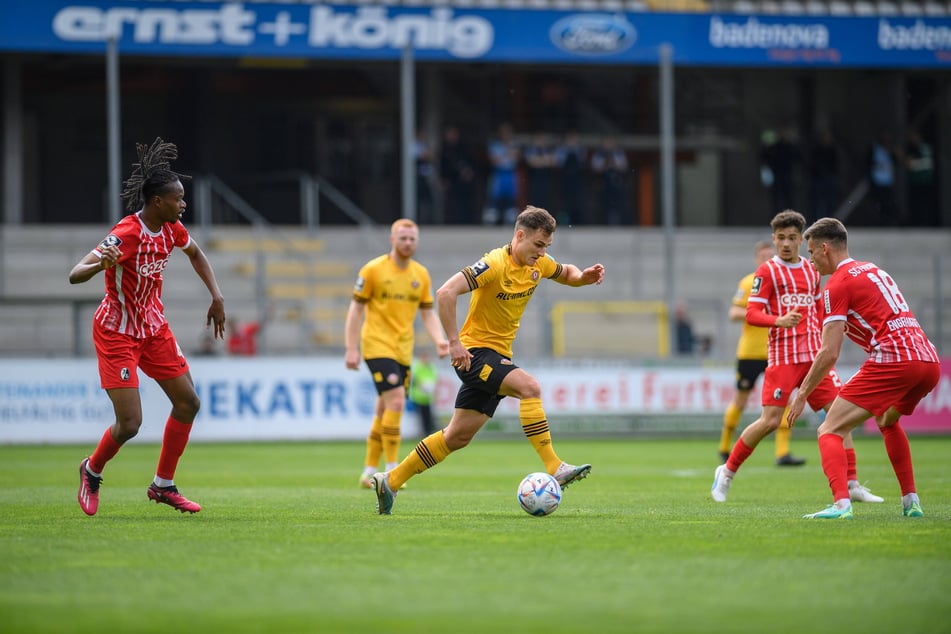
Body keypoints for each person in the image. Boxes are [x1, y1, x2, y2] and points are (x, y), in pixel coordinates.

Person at [370, 206, 605, 515]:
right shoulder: (493, 264)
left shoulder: (539, 264)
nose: (542, 252)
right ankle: (554, 465)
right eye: (538, 245)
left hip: (496, 357)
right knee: (529, 387)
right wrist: (454, 343)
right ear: (519, 236)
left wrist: (583, 278)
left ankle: (391, 480)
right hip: (474, 354)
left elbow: (566, 272)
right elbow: (445, 293)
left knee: (456, 437)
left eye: (547, 246)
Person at [72, 138, 226, 516]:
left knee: (188, 402)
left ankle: (163, 485)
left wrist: (217, 296)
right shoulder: (126, 233)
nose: (183, 204)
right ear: (158, 201)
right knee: (130, 424)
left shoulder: (171, 229)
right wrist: (100, 265)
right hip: (117, 331)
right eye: (178, 199)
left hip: (153, 328)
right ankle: (92, 469)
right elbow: (75, 274)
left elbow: (197, 253)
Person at [710, 210, 881, 505]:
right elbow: (751, 313)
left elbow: (818, 309)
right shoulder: (767, 272)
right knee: (770, 421)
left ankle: (851, 483)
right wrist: (778, 320)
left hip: (813, 357)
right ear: (774, 238)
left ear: (802, 240)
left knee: (840, 415)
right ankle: (726, 470)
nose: (785, 244)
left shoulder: (813, 270)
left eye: (791, 238)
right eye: (780, 238)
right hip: (783, 358)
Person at [788, 217, 941, 519]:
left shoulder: (837, 284)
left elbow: (829, 352)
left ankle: (841, 505)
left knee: (829, 429)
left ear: (825, 248)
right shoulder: (873, 270)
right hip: (928, 360)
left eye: (811, 252)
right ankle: (911, 502)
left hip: (895, 360)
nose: (811, 260)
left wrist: (803, 392)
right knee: (887, 420)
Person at [345, 219, 450, 490]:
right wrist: (351, 347)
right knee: (396, 402)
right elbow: (356, 309)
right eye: (402, 238)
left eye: (412, 239)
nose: (407, 243)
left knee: (384, 408)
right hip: (376, 344)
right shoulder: (373, 270)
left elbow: (427, 311)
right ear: (392, 240)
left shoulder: (420, 275)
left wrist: (440, 340)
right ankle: (391, 471)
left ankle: (368, 471)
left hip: (403, 349)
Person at [718, 240, 806, 467]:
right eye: (763, 256)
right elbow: (733, 312)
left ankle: (783, 453)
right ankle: (725, 446)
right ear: (757, 259)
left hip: (779, 351)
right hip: (750, 352)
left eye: (770, 255)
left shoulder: (786, 282)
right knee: (741, 399)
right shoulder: (749, 283)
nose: (767, 259)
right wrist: (757, 311)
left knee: (785, 400)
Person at [483, 122, 520, 226]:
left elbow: (516, 158)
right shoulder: (495, 145)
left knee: (511, 198)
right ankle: (491, 220)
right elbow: (495, 160)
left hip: (510, 174)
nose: (506, 134)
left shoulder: (514, 145)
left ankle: (510, 221)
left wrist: (505, 155)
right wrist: (508, 154)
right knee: (494, 197)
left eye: (508, 132)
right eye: (504, 132)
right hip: (499, 174)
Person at [439, 125, 477, 225]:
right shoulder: (444, 150)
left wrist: (469, 172)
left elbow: (472, 162)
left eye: (453, 134)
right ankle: (453, 222)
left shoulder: (464, 148)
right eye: (449, 134)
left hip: (465, 182)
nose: (451, 136)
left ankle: (467, 222)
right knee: (453, 204)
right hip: (452, 181)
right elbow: (443, 166)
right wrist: (444, 178)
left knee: (466, 203)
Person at [589, 136, 629, 225]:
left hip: (617, 183)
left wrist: (614, 164)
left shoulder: (618, 153)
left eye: (610, 142)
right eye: (606, 142)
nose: (608, 145)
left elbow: (624, 166)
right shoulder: (599, 154)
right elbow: (595, 167)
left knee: (619, 205)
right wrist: (605, 164)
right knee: (604, 205)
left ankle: (620, 223)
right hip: (604, 184)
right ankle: (604, 223)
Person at [904, 128, 936, 227]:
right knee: (916, 204)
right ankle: (917, 222)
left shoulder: (924, 148)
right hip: (916, 182)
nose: (913, 139)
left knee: (923, 204)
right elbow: (908, 164)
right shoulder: (912, 148)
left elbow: (922, 164)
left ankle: (924, 223)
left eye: (915, 136)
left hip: (924, 181)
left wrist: (913, 164)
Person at [408, 349, 439, 437]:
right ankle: (424, 432)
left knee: (428, 416)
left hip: (427, 397)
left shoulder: (430, 367)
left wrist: (433, 391)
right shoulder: (418, 367)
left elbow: (435, 379)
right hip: (419, 396)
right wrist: (424, 386)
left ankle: (428, 432)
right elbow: (416, 379)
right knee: (422, 416)